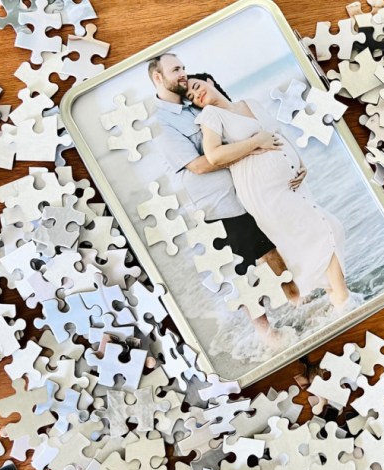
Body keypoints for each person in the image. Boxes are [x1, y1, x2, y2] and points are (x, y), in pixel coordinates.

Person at [147, 53, 301, 340]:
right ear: (158, 77)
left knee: (272, 249)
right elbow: (199, 165)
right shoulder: (162, 125)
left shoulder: (195, 104)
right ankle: (266, 334)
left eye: (184, 67)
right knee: (241, 271)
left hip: (247, 189)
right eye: (176, 69)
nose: (183, 74)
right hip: (218, 206)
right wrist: (254, 146)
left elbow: (234, 127)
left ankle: (297, 301)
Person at [188, 74, 352, 312]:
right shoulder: (211, 116)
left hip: (293, 182)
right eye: (192, 98)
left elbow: (277, 133)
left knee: (311, 238)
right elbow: (214, 155)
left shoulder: (250, 103)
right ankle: (343, 300)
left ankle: (333, 297)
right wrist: (255, 143)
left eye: (197, 87)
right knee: (327, 227)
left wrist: (300, 162)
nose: (197, 96)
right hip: (261, 189)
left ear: (210, 81)